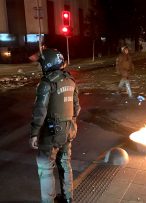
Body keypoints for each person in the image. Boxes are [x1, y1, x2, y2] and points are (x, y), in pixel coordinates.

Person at [29, 48, 81, 203]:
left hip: (52, 132)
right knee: (65, 163)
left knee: (45, 168)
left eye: (42, 63)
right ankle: (68, 198)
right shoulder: (71, 80)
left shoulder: (46, 83)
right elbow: (77, 108)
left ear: (47, 63)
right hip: (69, 129)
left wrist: (34, 133)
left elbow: (40, 111)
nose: (41, 66)